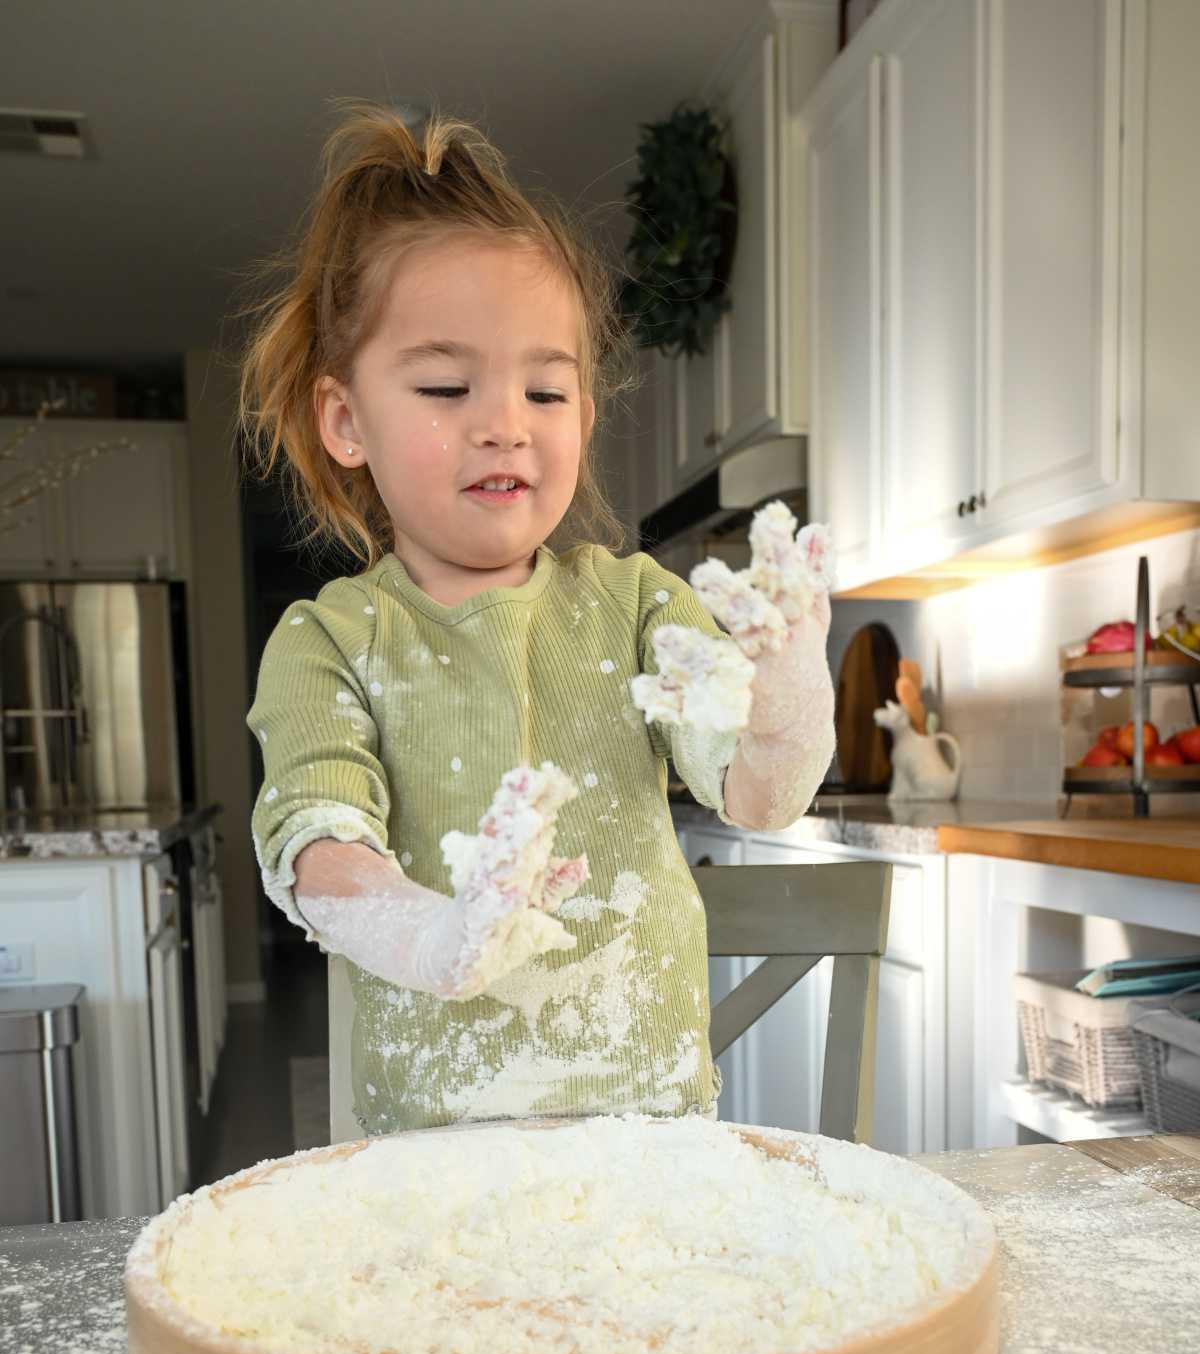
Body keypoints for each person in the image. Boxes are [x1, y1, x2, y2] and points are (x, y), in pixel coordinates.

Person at [239, 104, 835, 1135]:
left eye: (547, 392)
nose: (506, 423)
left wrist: (783, 706)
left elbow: (757, 794)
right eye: (444, 383)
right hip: (435, 1151)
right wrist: (438, 938)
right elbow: (316, 847)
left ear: (585, 416)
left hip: (650, 1136)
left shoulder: (640, 604)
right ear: (346, 421)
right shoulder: (330, 642)